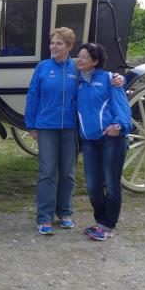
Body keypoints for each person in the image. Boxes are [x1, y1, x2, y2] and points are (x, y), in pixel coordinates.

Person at [25, 28, 125, 235]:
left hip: (70, 128)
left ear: (69, 47)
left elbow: (97, 77)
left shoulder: (77, 67)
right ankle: (44, 217)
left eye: (59, 43)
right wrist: (31, 125)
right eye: (52, 42)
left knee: (68, 173)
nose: (54, 46)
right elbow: (33, 95)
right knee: (47, 172)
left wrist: (118, 79)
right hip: (46, 126)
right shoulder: (43, 67)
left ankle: (65, 213)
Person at [75, 42, 132, 241]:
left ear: (95, 61)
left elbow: (122, 105)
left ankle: (107, 225)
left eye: (84, 57)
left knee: (111, 184)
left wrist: (119, 126)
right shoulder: (78, 81)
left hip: (112, 139)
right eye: (78, 56)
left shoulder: (109, 79)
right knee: (93, 186)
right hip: (90, 141)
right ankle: (100, 222)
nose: (79, 60)